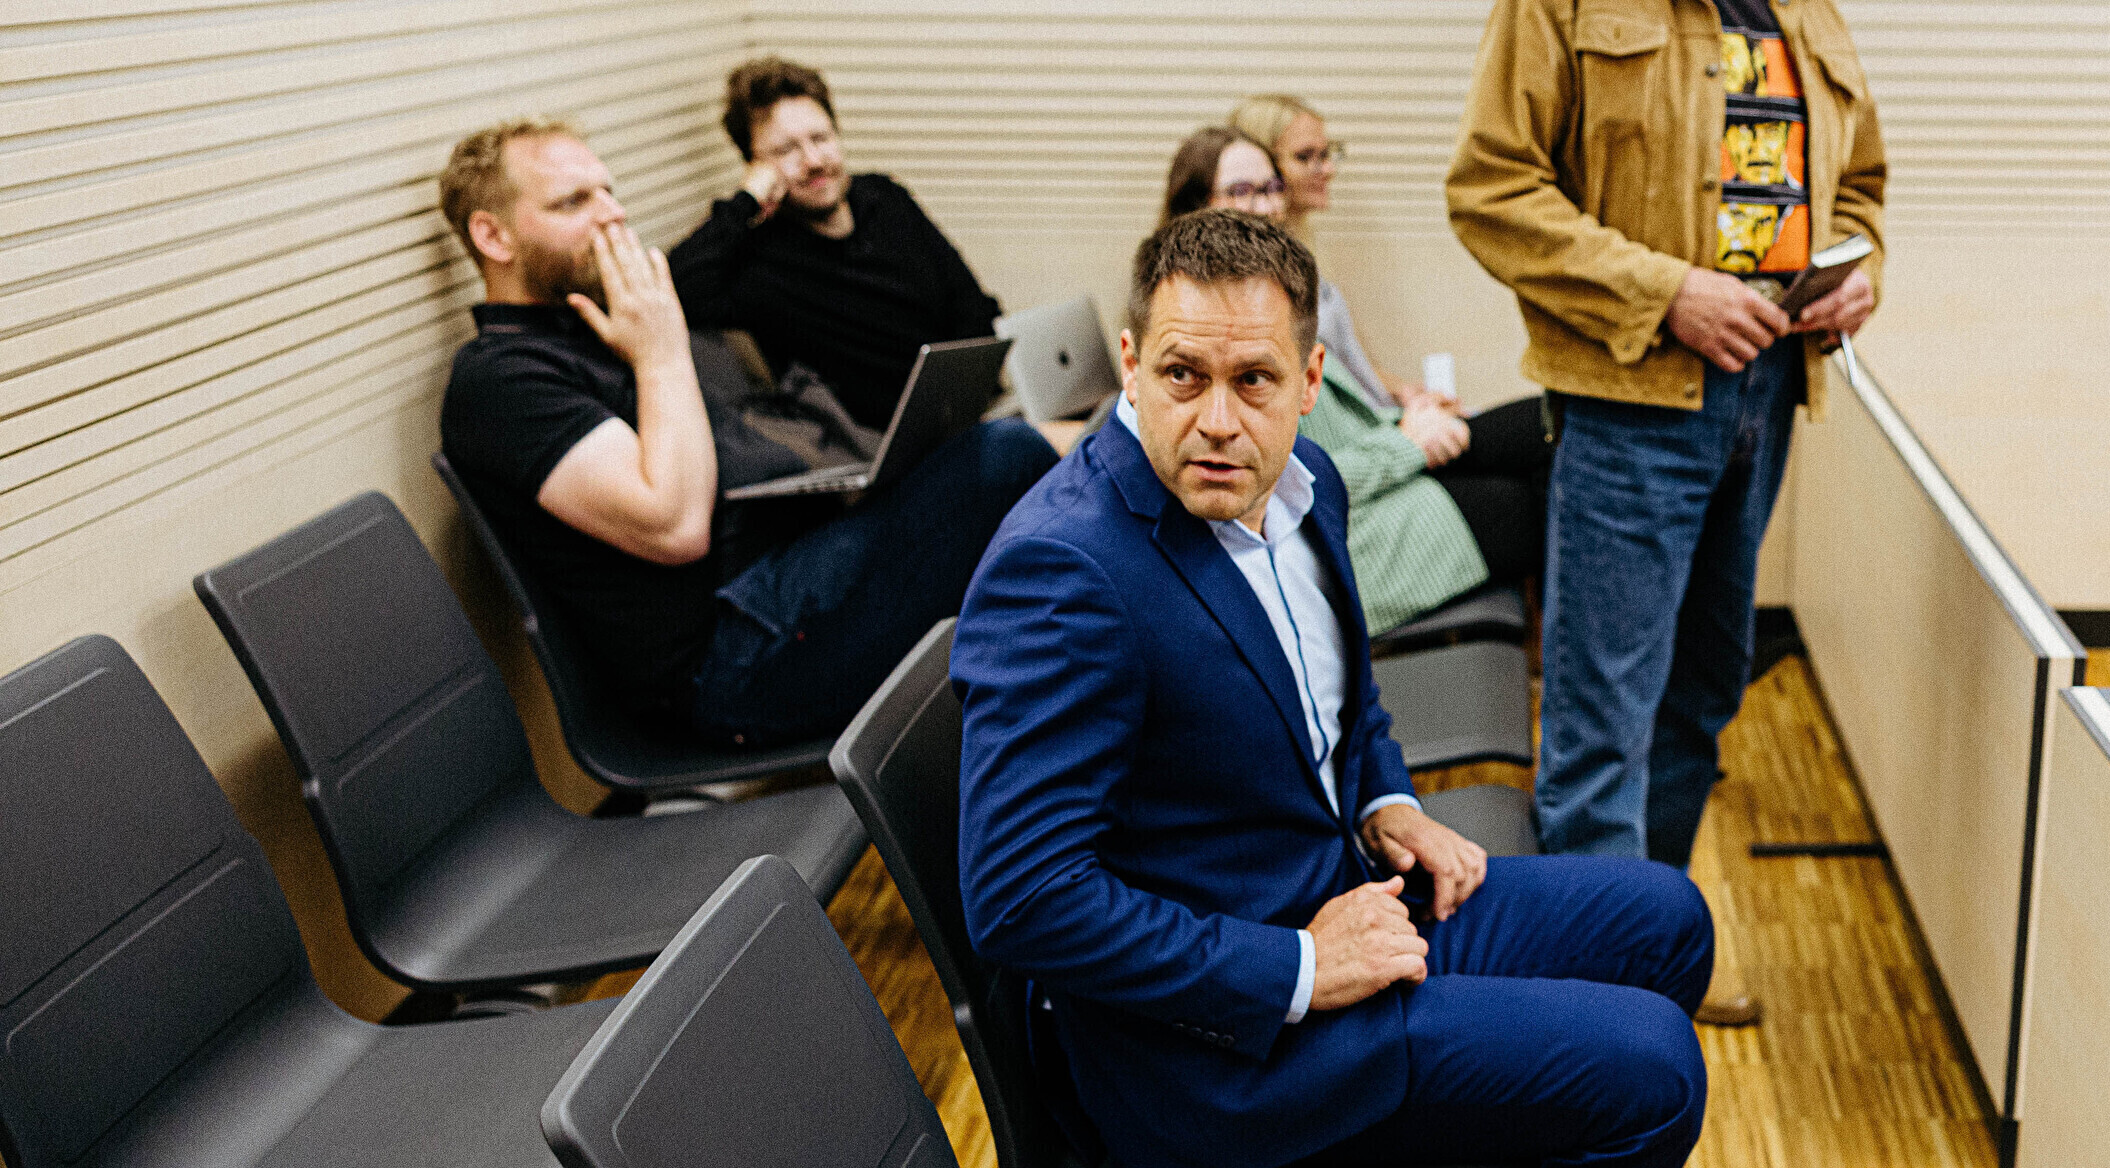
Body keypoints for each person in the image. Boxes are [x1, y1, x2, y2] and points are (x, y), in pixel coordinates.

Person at [954, 210, 1723, 1168]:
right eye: (1181, 375)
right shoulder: (1065, 571)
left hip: (1330, 891)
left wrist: (1386, 798)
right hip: (1210, 1046)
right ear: (1130, 362)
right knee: (1649, 1070)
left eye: (1254, 380)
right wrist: (1302, 966)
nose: (1216, 419)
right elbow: (1022, 902)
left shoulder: (1300, 486)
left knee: (1664, 920)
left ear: (1310, 379)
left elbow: (1342, 696)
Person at [1447, 0, 1887, 993]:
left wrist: (1861, 267)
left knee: (1701, 698)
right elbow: (1491, 190)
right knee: (1602, 731)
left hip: (1765, 404)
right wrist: (1665, 290)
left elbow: (1860, 186)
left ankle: (1645, 965)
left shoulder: (1806, 3)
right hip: (1631, 407)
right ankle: (1587, 1028)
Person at [436, 118, 1055, 746]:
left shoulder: (596, 326)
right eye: (574, 202)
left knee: (1008, 471)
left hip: (786, 573)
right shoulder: (500, 380)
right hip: (728, 662)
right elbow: (675, 527)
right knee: (1004, 459)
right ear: (493, 236)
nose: (613, 215)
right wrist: (661, 352)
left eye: (609, 192)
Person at [1164, 126, 1539, 633]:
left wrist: (1412, 416)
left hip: (1378, 479)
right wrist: (1407, 443)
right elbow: (1278, 486)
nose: (1267, 206)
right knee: (1540, 497)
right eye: (1243, 191)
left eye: (1272, 188)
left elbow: (1345, 411)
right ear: (1194, 209)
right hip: (1339, 535)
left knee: (1552, 426)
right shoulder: (1211, 334)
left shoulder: (1273, 293)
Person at [667, 55, 1005, 432]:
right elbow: (674, 288)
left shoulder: (885, 199)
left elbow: (971, 303)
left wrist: (971, 396)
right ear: (755, 167)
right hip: (882, 450)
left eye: (820, 138)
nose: (813, 160)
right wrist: (746, 201)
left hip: (971, 416)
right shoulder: (759, 264)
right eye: (786, 150)